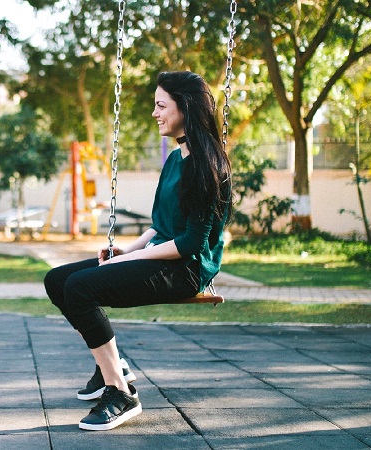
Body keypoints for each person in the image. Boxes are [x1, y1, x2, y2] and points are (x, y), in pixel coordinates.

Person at [43, 71, 232, 431]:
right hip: (164, 252)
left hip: (187, 268)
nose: (154, 113)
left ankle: (121, 392)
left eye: (161, 105)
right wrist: (125, 249)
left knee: (80, 288)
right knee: (58, 280)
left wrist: (132, 258)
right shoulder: (177, 157)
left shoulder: (206, 165)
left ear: (185, 108)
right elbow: (162, 225)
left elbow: (191, 242)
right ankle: (111, 365)